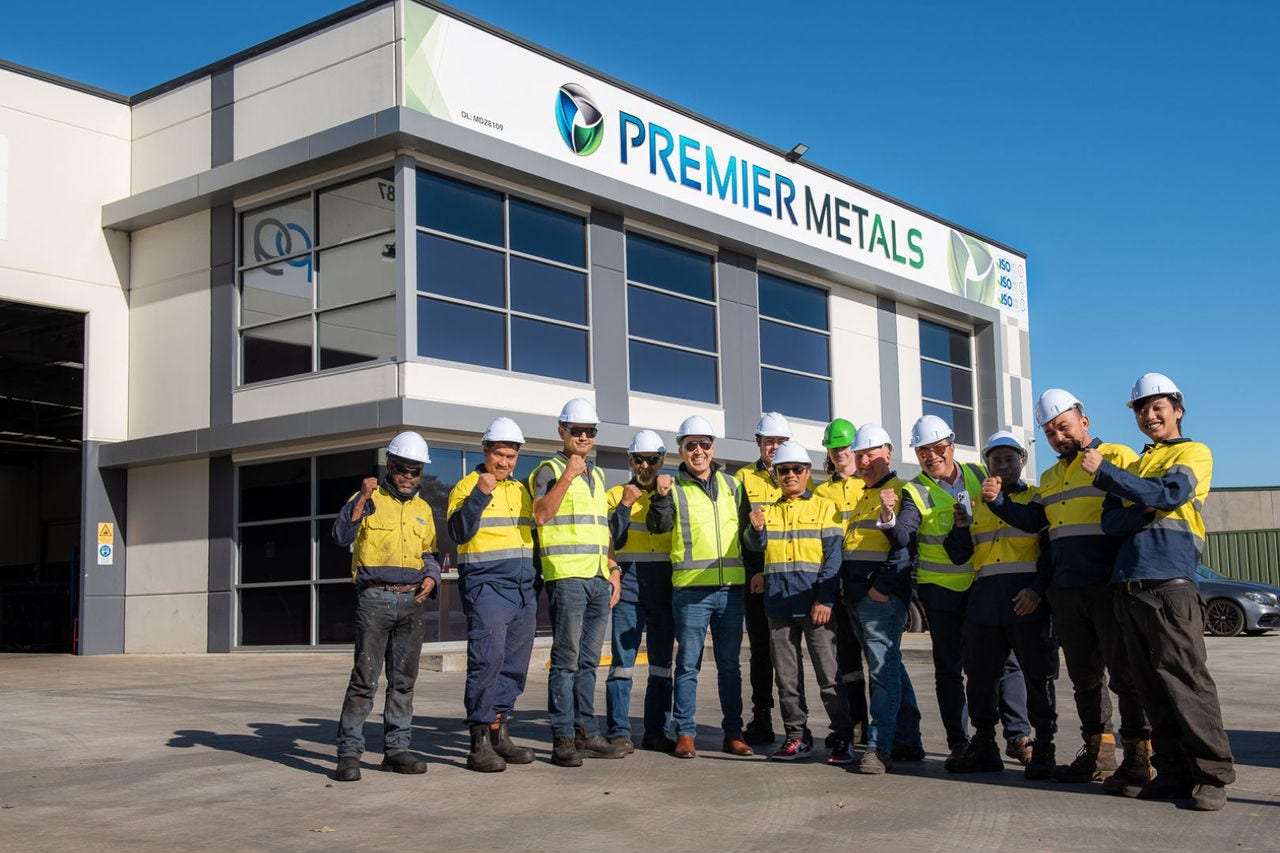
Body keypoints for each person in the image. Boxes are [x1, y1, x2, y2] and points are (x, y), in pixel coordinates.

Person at [986, 389, 1151, 789]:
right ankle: (1099, 752)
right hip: (1068, 590)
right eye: (1050, 432)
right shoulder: (1050, 476)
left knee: (1124, 675)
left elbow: (1144, 506)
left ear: (1084, 422)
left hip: (1109, 585)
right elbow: (1035, 523)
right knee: (1085, 678)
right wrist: (998, 504)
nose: (1058, 436)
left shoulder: (1117, 455)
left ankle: (1139, 758)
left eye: (1063, 426)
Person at [1089, 373, 1234, 811]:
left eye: (1158, 406)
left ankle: (1212, 774)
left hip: (1170, 583)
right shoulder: (1136, 466)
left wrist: (1122, 484)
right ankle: (1172, 772)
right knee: (1150, 685)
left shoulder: (1194, 452)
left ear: (1177, 410)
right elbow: (1110, 523)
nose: (1149, 415)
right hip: (1129, 585)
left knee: (1186, 681)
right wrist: (1143, 500)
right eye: (1141, 408)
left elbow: (1172, 494)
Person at [886, 414, 1032, 765]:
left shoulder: (979, 474)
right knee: (949, 669)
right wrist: (889, 519)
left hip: (983, 583)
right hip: (940, 593)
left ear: (951, 446)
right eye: (923, 451)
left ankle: (1018, 736)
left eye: (938, 448)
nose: (932, 456)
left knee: (1004, 663)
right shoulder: (914, 490)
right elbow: (904, 534)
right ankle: (959, 742)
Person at [946, 432, 1059, 780]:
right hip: (985, 600)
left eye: (1010, 459)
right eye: (996, 460)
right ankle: (984, 745)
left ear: (1021, 461)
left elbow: (1051, 551)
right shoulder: (976, 503)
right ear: (987, 465)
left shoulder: (1038, 499)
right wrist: (961, 527)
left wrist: (1037, 590)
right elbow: (958, 554)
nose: (1003, 465)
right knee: (979, 679)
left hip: (1025, 600)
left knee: (1038, 676)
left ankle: (1043, 747)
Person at [332, 431, 441, 782]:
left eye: (416, 472)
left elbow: (430, 554)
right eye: (404, 470)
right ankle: (349, 753)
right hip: (374, 600)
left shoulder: (424, 509)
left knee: (403, 681)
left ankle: (396, 749)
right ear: (390, 466)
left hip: (412, 600)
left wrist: (432, 578)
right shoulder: (368, 498)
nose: (410, 477)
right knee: (365, 680)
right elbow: (340, 536)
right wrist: (362, 498)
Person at [647, 415, 753, 759]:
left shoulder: (733, 486)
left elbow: (749, 536)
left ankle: (733, 733)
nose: (698, 451)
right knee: (688, 664)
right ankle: (686, 734)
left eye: (704, 444)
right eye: (690, 445)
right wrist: (660, 497)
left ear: (712, 448)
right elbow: (658, 527)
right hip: (691, 591)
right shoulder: (672, 487)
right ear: (680, 449)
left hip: (730, 591)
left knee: (730, 667)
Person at [529, 398, 627, 767]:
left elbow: (602, 530)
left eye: (590, 431)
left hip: (598, 578)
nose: (584, 436)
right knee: (566, 662)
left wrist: (613, 568)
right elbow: (540, 515)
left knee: (589, 662)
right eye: (577, 431)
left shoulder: (599, 476)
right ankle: (563, 738)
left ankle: (587, 732)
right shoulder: (548, 470)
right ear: (562, 432)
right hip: (567, 577)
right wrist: (567, 476)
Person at [744, 440, 854, 764]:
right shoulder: (768, 512)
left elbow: (833, 559)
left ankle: (843, 737)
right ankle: (796, 736)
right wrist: (755, 530)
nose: (790, 474)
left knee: (829, 677)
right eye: (784, 470)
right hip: (778, 606)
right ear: (776, 474)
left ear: (808, 472)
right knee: (787, 679)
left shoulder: (823, 507)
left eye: (796, 469)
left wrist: (825, 599)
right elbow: (754, 549)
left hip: (814, 606)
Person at [447, 417, 538, 773]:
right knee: (487, 661)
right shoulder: (466, 487)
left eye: (511, 456)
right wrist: (479, 495)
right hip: (487, 588)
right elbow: (458, 532)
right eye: (498, 454)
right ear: (485, 451)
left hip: (522, 589)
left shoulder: (520, 491)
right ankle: (479, 741)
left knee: (514, 665)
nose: (504, 462)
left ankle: (501, 732)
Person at [834, 423, 925, 775]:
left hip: (878, 597)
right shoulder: (862, 495)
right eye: (860, 455)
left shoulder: (902, 491)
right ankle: (908, 739)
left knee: (882, 674)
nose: (865, 460)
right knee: (891, 669)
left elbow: (904, 546)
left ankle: (879, 747)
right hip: (857, 597)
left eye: (871, 454)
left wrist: (882, 588)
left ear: (888, 453)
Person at [604, 429, 677, 753]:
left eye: (652, 459)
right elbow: (611, 539)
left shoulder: (673, 492)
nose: (645, 465)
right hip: (630, 584)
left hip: (663, 585)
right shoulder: (614, 494)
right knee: (622, 663)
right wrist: (624, 505)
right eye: (639, 459)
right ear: (630, 461)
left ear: (662, 461)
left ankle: (656, 731)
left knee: (662, 664)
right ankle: (619, 731)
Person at [735, 412, 794, 745]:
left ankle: (794, 723)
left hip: (791, 578)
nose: (774, 447)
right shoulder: (743, 478)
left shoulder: (798, 473)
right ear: (758, 442)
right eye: (769, 441)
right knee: (760, 651)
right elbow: (740, 530)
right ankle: (762, 716)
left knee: (787, 651)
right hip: (759, 579)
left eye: (780, 441)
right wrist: (755, 570)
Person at [812, 417, 871, 745]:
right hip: (837, 582)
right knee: (847, 661)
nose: (839, 454)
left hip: (867, 580)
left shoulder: (871, 484)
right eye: (833, 449)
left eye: (844, 447)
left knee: (877, 658)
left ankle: (883, 726)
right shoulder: (822, 491)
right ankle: (857, 722)